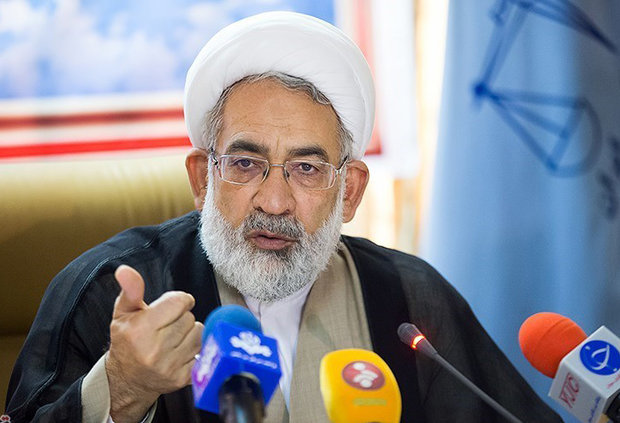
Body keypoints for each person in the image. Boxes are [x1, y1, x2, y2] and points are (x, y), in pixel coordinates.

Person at [6, 11, 562, 423]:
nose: (273, 202)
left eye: (306, 169)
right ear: (202, 178)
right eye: (245, 164)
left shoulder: (411, 299)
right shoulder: (112, 291)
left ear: (349, 191)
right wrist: (124, 389)